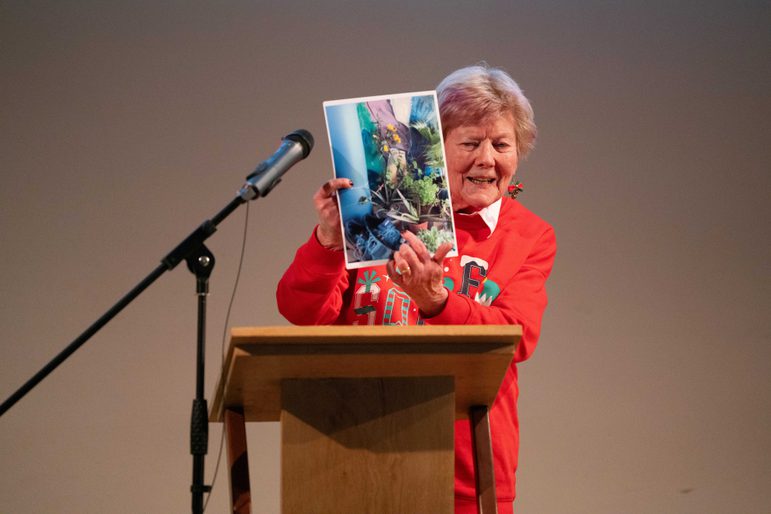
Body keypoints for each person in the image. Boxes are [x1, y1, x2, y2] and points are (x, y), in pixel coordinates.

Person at [276, 63, 556, 514]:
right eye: (470, 143)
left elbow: (517, 336)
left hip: (466, 468)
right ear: (436, 150)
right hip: (350, 450)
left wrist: (438, 303)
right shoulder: (376, 214)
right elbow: (301, 311)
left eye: (502, 145)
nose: (487, 158)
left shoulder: (529, 235)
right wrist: (329, 239)